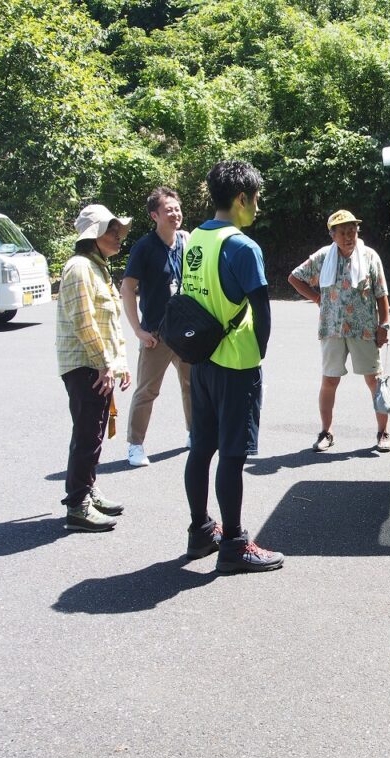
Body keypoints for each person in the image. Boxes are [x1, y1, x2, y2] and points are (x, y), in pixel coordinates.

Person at [182, 160, 283, 573]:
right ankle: (235, 544)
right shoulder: (242, 246)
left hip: (200, 361)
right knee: (233, 455)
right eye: (256, 199)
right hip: (235, 364)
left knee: (201, 448)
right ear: (242, 198)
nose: (257, 207)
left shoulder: (195, 239)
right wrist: (258, 354)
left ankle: (200, 531)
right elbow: (262, 310)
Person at [288, 209, 390, 453]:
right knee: (329, 381)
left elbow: (381, 294)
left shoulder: (369, 256)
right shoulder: (324, 256)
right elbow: (294, 277)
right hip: (333, 329)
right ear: (332, 235)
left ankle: (383, 432)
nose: (349, 236)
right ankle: (326, 432)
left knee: (374, 381)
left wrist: (384, 325)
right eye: (343, 232)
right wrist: (316, 298)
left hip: (364, 329)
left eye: (353, 231)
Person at [55, 204, 133, 532]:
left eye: (118, 231)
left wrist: (120, 364)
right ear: (94, 236)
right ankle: (77, 504)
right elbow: (84, 322)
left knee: (96, 432)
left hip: (99, 366)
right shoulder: (79, 268)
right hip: (85, 366)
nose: (118, 237)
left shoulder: (98, 268)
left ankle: (88, 489)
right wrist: (104, 365)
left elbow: (111, 325)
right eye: (111, 231)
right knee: (87, 434)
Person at [121, 186, 191, 467]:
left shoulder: (187, 241)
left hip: (186, 332)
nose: (175, 214)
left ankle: (194, 432)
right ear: (154, 215)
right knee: (147, 390)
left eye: (177, 208)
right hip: (156, 334)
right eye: (168, 210)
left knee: (192, 385)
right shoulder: (144, 247)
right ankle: (135, 445)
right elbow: (127, 289)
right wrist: (138, 330)